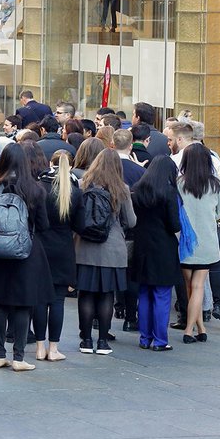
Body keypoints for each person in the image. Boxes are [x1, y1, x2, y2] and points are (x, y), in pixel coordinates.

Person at [0, 144, 54, 370]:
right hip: (26, 252)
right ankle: (19, 357)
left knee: (1, 304)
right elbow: (44, 225)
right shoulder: (35, 190)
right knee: (23, 304)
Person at [74, 149, 137, 354]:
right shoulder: (122, 189)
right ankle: (102, 341)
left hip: (85, 248)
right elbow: (131, 221)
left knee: (86, 294)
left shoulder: (83, 185)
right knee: (106, 295)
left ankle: (86, 341)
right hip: (113, 251)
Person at [31, 149, 82, 361]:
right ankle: (54, 349)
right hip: (63, 249)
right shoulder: (75, 192)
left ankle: (39, 347)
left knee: (40, 300)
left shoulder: (39, 188)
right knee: (58, 301)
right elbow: (81, 224)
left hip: (40, 247)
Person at [129, 157, 182, 351]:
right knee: (162, 295)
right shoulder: (168, 192)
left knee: (144, 293)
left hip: (141, 246)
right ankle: (160, 340)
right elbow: (175, 224)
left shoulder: (137, 189)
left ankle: (145, 337)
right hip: (163, 248)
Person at [177, 143, 220, 344]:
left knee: (190, 286)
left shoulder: (179, 183)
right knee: (198, 287)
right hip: (206, 242)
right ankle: (192, 330)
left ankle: (197, 328)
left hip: (185, 243)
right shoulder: (215, 185)